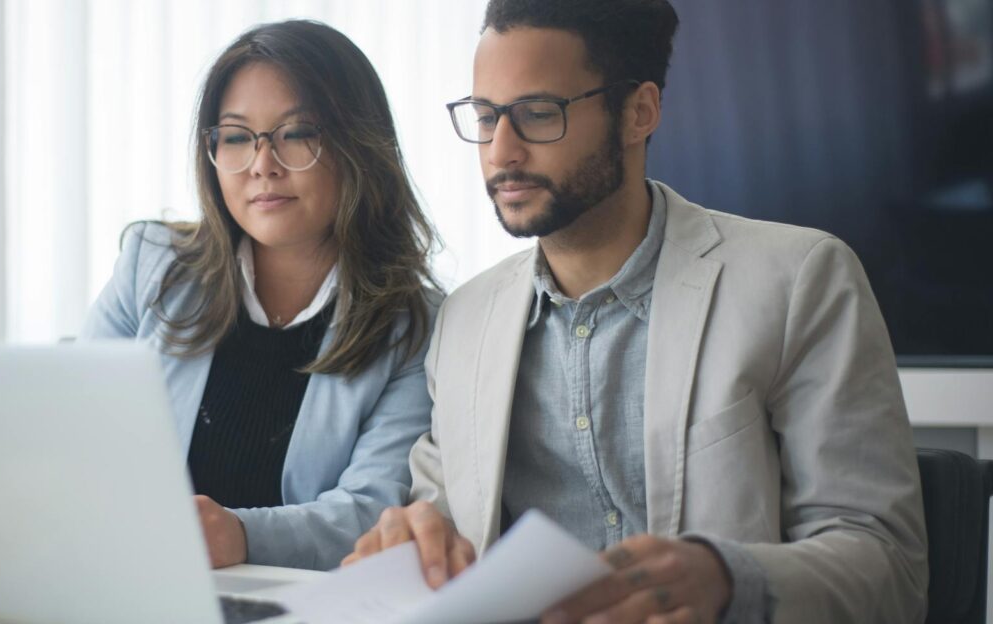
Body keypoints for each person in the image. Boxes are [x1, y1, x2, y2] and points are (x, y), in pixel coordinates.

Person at [344, 1, 928, 622]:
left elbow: (888, 567)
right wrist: (411, 546)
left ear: (639, 112)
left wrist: (727, 578)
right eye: (486, 117)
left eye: (539, 114)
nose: (501, 150)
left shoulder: (800, 279)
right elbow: (439, 526)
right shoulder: (463, 321)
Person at [81, 19, 440, 571]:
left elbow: (372, 513)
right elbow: (73, 436)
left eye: (297, 133)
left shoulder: (414, 326)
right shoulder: (150, 266)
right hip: (129, 582)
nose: (262, 165)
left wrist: (242, 534)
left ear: (358, 145)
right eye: (236, 136)